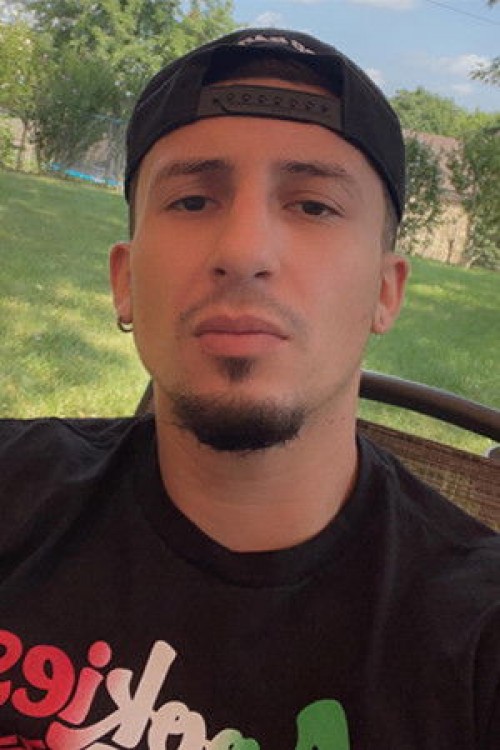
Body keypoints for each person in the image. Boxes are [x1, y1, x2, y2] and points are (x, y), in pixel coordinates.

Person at [0, 27, 498, 750]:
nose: (243, 251)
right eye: (192, 201)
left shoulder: (476, 641)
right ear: (125, 280)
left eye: (314, 205)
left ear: (385, 292)